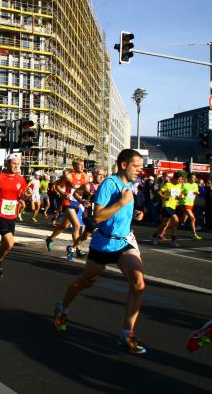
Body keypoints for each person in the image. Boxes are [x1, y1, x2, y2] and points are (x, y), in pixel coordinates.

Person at [53, 149, 148, 355]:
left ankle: (127, 332)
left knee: (139, 283)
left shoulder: (131, 186)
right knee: (87, 281)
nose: (140, 171)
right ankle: (62, 308)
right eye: (136, 166)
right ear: (124, 165)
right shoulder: (109, 185)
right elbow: (97, 217)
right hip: (103, 243)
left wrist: (136, 215)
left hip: (124, 242)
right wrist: (121, 202)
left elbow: (122, 215)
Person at [0, 154, 28, 279]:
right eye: (13, 163)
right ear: (7, 163)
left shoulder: (21, 179)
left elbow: (22, 195)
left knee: (5, 245)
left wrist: (25, 197)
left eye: (18, 164)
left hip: (12, 214)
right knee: (10, 243)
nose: (16, 166)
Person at [46, 160, 88, 258]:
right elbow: (56, 186)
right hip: (68, 202)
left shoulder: (85, 177)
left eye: (83, 165)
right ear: (74, 166)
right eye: (79, 165)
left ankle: (50, 238)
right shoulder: (69, 176)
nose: (82, 167)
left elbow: (87, 189)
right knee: (77, 225)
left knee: (64, 226)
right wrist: (63, 193)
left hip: (78, 203)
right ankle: (77, 249)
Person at [150, 172, 182, 247]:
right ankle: (173, 240)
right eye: (179, 179)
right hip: (167, 206)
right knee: (176, 220)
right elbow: (159, 192)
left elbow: (178, 195)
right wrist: (164, 197)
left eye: (181, 180)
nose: (180, 181)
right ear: (174, 178)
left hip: (173, 206)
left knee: (164, 224)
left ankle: (154, 237)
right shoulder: (168, 184)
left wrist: (180, 197)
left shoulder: (179, 186)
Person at [179, 173, 202, 240]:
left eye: (195, 178)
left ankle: (174, 224)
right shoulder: (184, 185)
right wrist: (183, 194)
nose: (194, 179)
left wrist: (197, 193)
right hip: (184, 202)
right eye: (192, 177)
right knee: (192, 218)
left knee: (183, 220)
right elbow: (179, 193)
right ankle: (195, 234)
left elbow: (196, 192)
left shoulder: (195, 185)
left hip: (191, 203)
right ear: (188, 178)